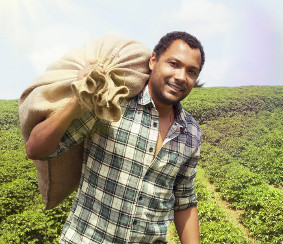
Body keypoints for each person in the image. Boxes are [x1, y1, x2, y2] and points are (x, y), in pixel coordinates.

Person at [25, 31, 205, 244]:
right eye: (174, 64)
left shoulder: (191, 133)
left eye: (191, 72)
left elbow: (184, 201)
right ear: (153, 61)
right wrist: (80, 97)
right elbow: (36, 149)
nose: (181, 77)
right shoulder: (111, 103)